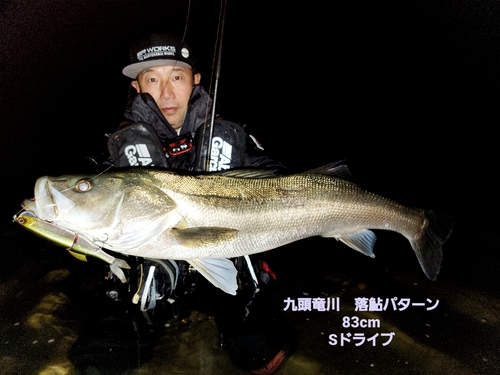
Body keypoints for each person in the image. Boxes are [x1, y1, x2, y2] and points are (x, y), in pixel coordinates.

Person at [69, 33, 293, 375]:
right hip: (150, 277)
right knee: (102, 357)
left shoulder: (233, 134)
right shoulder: (115, 148)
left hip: (225, 261)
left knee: (262, 354)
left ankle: (239, 310)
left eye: (177, 77)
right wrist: (78, 240)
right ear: (136, 85)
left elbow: (277, 178)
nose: (166, 92)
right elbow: (86, 209)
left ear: (196, 80)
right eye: (152, 79)